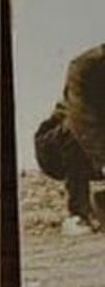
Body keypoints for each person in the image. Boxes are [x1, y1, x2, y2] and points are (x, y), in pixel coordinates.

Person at [35, 46, 105, 236]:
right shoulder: (85, 66)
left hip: (97, 149)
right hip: (55, 148)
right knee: (73, 130)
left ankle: (99, 204)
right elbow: (81, 119)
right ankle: (77, 215)